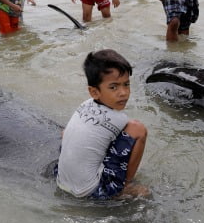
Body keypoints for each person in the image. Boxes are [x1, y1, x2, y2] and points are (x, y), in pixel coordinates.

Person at [56, 49, 149, 199]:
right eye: (114, 87)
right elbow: (131, 135)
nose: (123, 92)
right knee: (137, 129)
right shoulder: (119, 118)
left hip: (61, 180)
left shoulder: (85, 105)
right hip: (93, 191)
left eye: (126, 84)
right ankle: (126, 185)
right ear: (94, 92)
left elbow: (65, 134)